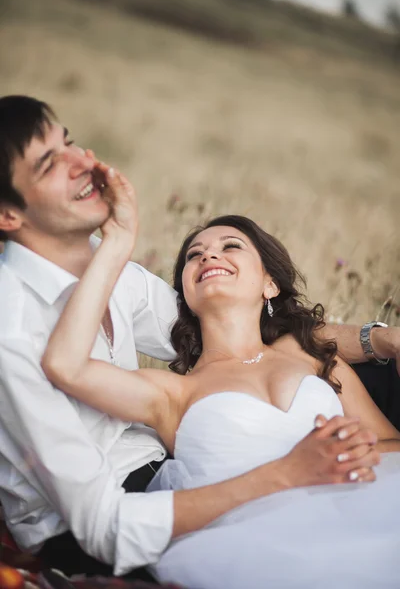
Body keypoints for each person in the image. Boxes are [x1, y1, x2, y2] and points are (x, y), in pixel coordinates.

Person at [0, 95, 399, 581]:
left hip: (174, 460)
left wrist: (379, 340)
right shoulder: (13, 331)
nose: (85, 163)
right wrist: (288, 474)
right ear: (8, 216)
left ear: (269, 282)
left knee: (368, 381)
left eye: (71, 144)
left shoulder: (120, 274)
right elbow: (102, 524)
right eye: (49, 165)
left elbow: (248, 330)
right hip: (96, 514)